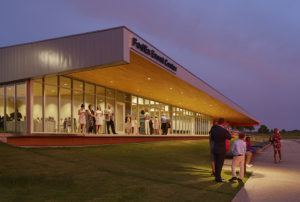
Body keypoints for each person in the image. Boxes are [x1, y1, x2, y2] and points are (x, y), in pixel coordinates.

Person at [210, 118, 232, 182]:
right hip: (221, 149)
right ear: (223, 123)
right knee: (220, 164)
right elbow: (229, 137)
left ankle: (217, 177)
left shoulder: (214, 129)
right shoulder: (224, 130)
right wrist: (227, 130)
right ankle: (218, 178)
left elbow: (212, 138)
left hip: (215, 148)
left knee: (216, 164)